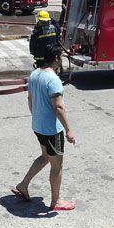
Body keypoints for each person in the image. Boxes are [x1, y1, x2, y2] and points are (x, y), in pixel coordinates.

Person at [12, 46, 76, 211]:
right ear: (55, 58)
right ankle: (57, 201)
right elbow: (59, 107)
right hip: (51, 130)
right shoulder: (53, 79)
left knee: (46, 156)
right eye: (60, 57)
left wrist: (37, 117)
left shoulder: (34, 75)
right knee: (57, 165)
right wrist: (69, 130)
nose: (61, 60)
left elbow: (30, 99)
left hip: (38, 126)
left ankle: (23, 185)